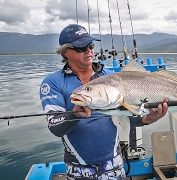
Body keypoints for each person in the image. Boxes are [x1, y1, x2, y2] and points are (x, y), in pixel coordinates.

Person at [39, 24, 168, 180]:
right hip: (79, 168)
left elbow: (124, 114)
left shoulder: (110, 77)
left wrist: (146, 119)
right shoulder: (53, 83)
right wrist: (74, 114)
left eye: (91, 45)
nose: (89, 51)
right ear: (65, 52)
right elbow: (55, 127)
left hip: (114, 164)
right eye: (81, 48)